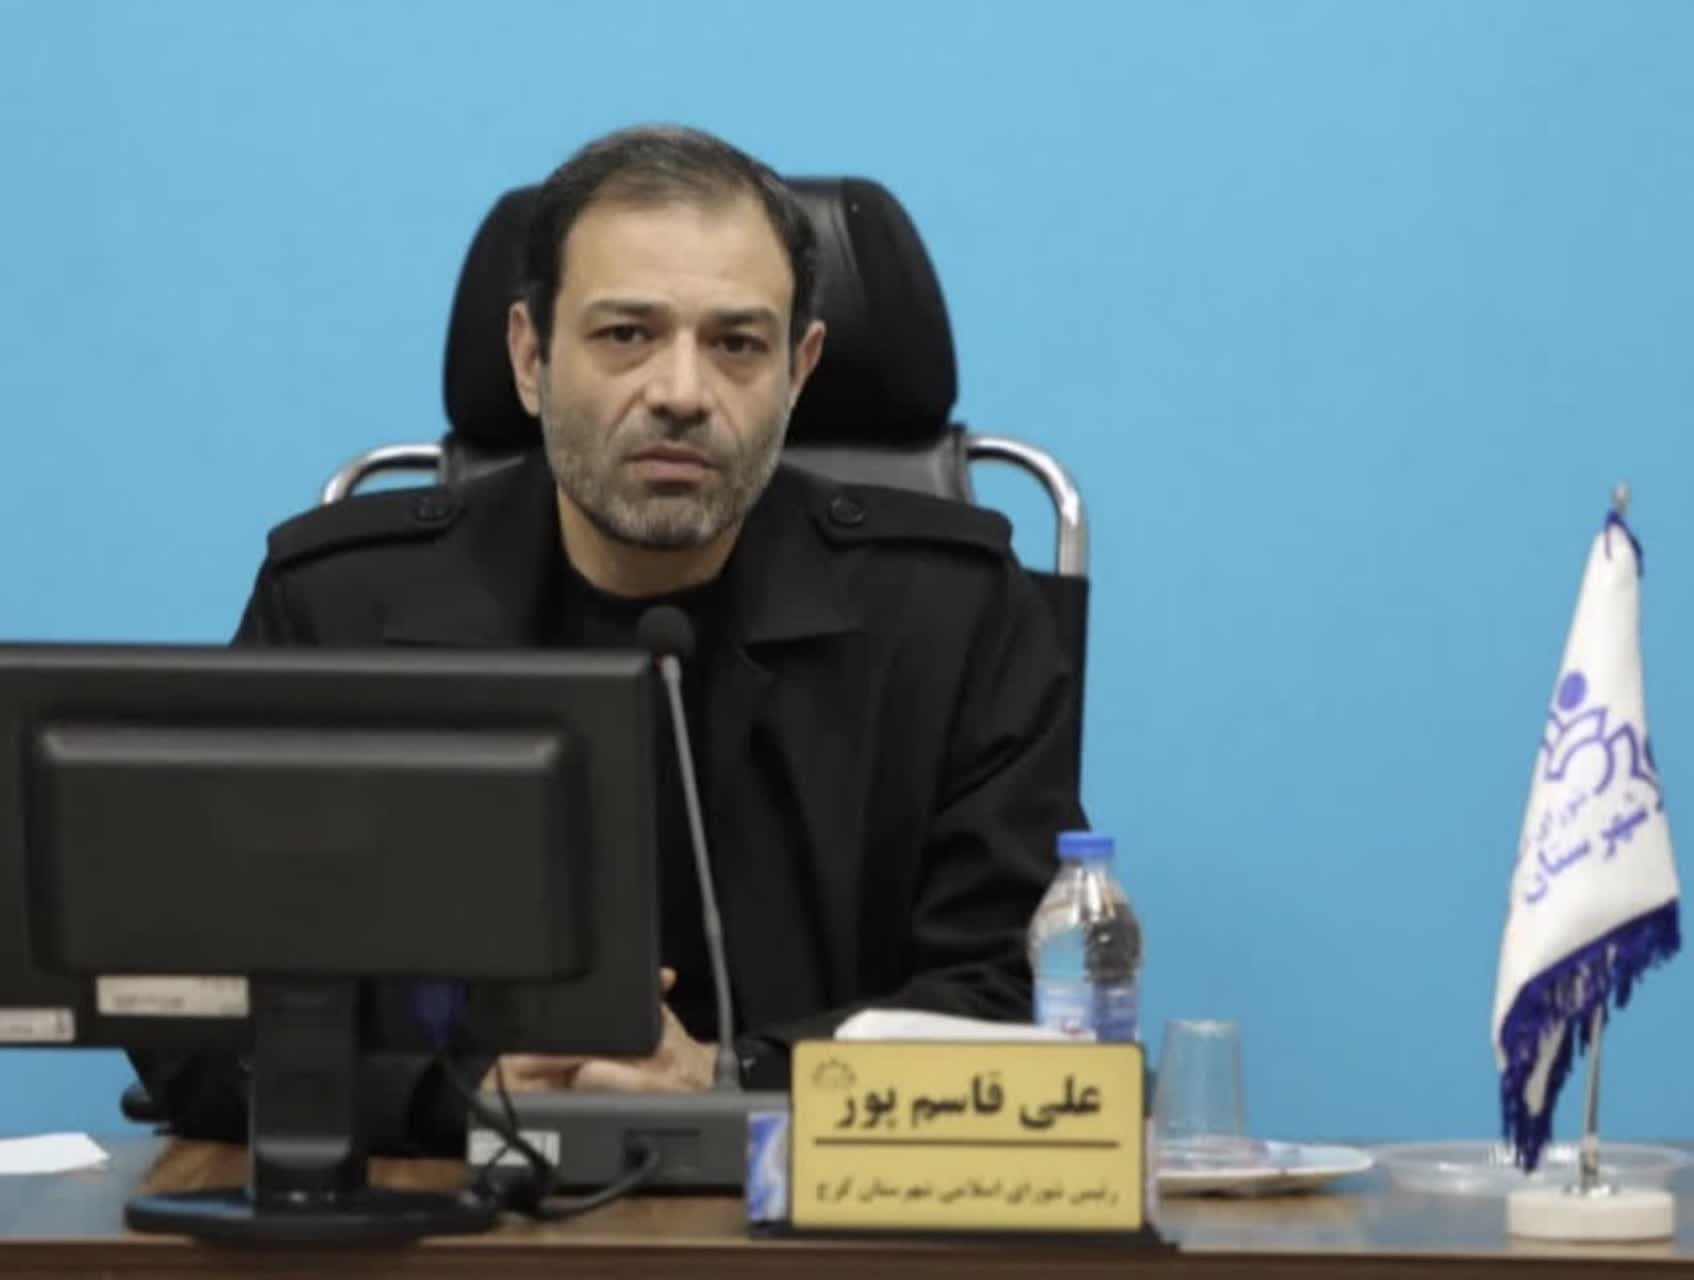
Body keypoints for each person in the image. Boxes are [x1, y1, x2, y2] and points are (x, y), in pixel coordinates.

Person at [129, 124, 1085, 1154]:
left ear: (800, 369)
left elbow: (1026, 995)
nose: (681, 392)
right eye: (627, 334)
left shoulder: (952, 615)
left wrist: (731, 1077)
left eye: (737, 343)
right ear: (529, 357)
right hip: (447, 1203)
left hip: (821, 1205)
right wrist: (463, 1093)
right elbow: (189, 1017)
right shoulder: (341, 612)